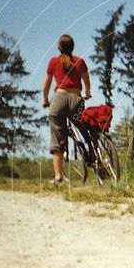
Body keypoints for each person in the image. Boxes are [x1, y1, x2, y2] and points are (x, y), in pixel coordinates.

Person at [42, 34, 91, 183]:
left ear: (59, 48)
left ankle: (58, 176)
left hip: (59, 100)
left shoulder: (53, 62)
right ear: (72, 47)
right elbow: (87, 81)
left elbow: (46, 86)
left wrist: (46, 101)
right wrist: (87, 93)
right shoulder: (80, 62)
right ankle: (92, 152)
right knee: (84, 129)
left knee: (57, 138)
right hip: (76, 100)